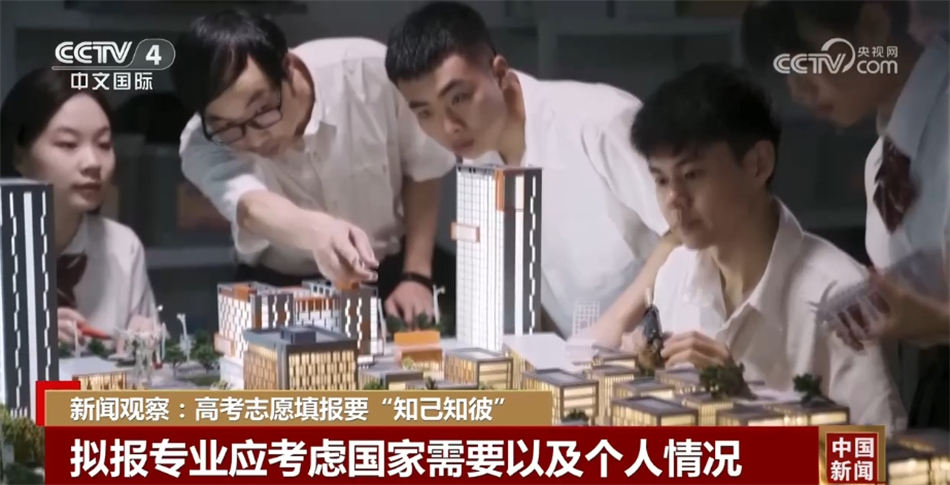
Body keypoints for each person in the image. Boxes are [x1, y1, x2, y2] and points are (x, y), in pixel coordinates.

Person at [626, 63, 906, 430]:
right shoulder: (675, 273)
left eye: (692, 174)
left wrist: (746, 406)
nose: (674, 199)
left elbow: (878, 451)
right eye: (661, 180)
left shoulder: (841, 294)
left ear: (758, 164)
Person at [384, 1, 678, 342]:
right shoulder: (479, 158)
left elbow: (683, 233)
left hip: (667, 340)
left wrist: (615, 324)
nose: (448, 127)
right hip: (579, 356)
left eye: (459, 99)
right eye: (425, 113)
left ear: (499, 72)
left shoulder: (598, 122)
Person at [171, 9, 456, 323]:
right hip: (280, 282)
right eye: (228, 126)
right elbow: (250, 207)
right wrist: (321, 233)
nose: (253, 139)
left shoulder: (370, 74)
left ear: (288, 67)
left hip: (388, 272)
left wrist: (416, 275)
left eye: (262, 110)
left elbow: (423, 167)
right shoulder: (203, 141)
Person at [741, 0, 948, 429]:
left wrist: (940, 321)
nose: (797, 89)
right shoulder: (882, 161)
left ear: (872, 25)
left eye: (806, 60)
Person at [0, 68, 158, 350]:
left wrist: (146, 346)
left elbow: (149, 358)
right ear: (19, 155)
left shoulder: (123, 247)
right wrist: (21, 336)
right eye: (68, 144)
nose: (93, 162)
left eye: (104, 144)